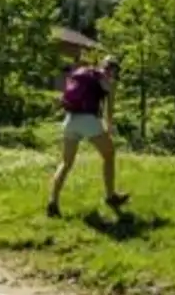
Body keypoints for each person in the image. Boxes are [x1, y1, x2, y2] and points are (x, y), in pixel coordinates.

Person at [46, 56, 129, 218]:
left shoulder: (83, 71)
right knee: (109, 154)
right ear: (113, 70)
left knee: (66, 162)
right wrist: (109, 127)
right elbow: (108, 111)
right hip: (88, 120)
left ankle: (52, 202)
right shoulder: (107, 80)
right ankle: (111, 196)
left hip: (70, 119)